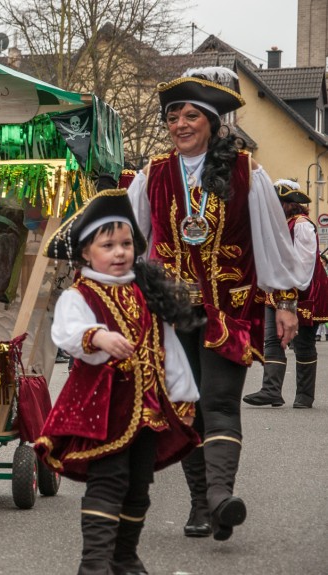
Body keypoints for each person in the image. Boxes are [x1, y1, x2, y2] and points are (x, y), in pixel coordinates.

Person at [127, 67, 311, 541]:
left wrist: (286, 301)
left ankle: (219, 497)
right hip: (172, 312)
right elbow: (133, 241)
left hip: (228, 310)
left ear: (212, 121)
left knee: (221, 401)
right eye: (173, 117)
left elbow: (272, 243)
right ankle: (199, 505)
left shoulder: (249, 172)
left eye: (191, 116)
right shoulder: (152, 175)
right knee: (187, 404)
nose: (180, 124)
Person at [37, 185, 201, 574]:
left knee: (139, 485)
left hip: (148, 409)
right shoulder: (79, 294)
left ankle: (124, 556)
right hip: (102, 410)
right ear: (85, 253)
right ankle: (94, 563)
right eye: (108, 245)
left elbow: (169, 350)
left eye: (126, 243)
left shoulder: (146, 293)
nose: (120, 252)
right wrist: (98, 336)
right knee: (108, 481)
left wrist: (184, 398)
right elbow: (66, 331)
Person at [243, 180, 328, 409]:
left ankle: (304, 396)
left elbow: (303, 264)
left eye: (277, 202)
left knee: (303, 344)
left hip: (303, 293)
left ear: (290, 204)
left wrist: (291, 291)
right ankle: (271, 391)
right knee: (272, 340)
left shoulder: (301, 225)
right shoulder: (278, 226)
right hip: (276, 293)